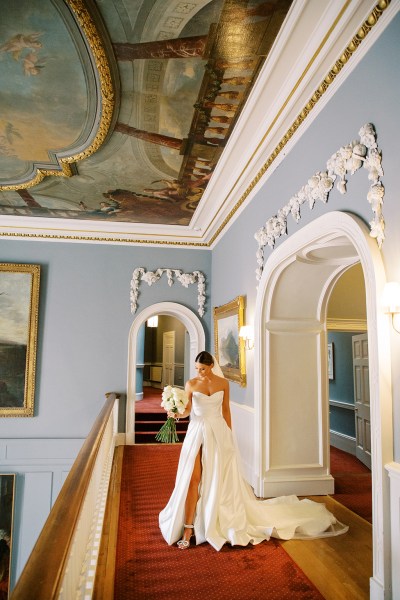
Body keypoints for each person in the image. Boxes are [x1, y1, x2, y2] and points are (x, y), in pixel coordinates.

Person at [159, 351, 348, 551]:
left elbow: (225, 410)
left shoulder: (223, 384)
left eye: (203, 369)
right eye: (197, 369)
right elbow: (188, 409)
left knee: (215, 479)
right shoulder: (191, 384)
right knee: (192, 479)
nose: (200, 373)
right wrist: (176, 411)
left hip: (218, 434)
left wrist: (230, 437)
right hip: (197, 433)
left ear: (211, 367)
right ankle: (188, 528)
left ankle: (212, 521)